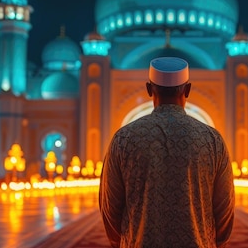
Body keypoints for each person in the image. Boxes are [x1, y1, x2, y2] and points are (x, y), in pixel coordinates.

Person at [99, 57, 235, 248]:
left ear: (148, 89)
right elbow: (224, 209)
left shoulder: (124, 138)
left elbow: (110, 209)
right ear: (187, 90)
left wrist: (125, 242)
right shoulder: (212, 140)